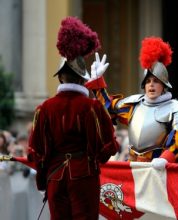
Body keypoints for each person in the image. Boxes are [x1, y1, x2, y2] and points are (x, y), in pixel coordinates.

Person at [28, 17, 119, 219]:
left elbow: (37, 151)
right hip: (84, 177)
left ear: (60, 77)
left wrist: (44, 182)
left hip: (55, 178)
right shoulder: (92, 107)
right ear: (82, 78)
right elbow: (107, 148)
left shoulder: (44, 109)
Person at [85, 37, 178, 166]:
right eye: (148, 81)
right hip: (133, 165)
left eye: (156, 81)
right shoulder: (134, 103)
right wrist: (98, 84)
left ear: (164, 85)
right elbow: (108, 109)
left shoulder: (175, 107)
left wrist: (166, 159)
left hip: (161, 166)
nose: (151, 85)